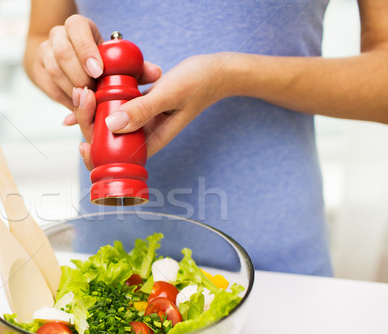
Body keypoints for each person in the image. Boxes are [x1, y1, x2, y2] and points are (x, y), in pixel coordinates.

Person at [23, 0, 388, 276]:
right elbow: (39, 37)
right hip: (110, 253)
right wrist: (61, 63)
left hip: (277, 262)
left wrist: (235, 74)